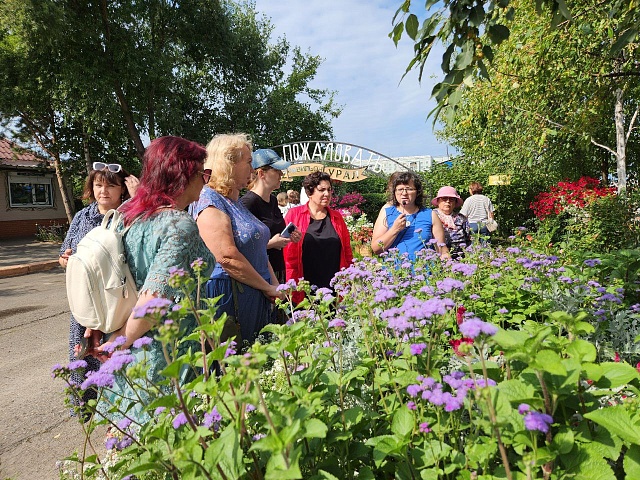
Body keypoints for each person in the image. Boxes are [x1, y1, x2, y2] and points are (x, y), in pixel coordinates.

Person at [94, 136, 215, 424]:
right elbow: (154, 300)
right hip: (165, 355)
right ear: (183, 175)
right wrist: (117, 343)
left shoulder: (125, 215)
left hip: (129, 350)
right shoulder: (178, 225)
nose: (206, 181)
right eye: (203, 173)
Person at [58, 162, 138, 417]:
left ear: (122, 189)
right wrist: (66, 258)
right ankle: (85, 408)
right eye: (98, 185)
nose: (103, 191)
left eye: (110, 186)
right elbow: (63, 255)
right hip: (87, 299)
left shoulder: (130, 215)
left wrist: (137, 199)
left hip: (117, 299)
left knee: (114, 352)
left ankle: (120, 411)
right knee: (83, 353)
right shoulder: (83, 216)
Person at [190, 134, 284, 343]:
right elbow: (226, 256)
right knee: (237, 362)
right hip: (231, 296)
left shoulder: (234, 201)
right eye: (249, 162)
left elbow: (256, 247)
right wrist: (267, 287)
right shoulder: (210, 199)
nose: (252, 170)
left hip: (255, 290)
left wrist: (275, 286)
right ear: (229, 163)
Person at [284, 171, 353, 303]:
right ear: (310, 192)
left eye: (329, 190)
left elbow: (347, 251)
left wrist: (350, 278)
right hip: (305, 285)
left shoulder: (337, 218)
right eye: (321, 190)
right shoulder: (294, 215)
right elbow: (286, 250)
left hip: (333, 286)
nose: (327, 194)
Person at [240, 148, 302, 284]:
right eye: (277, 170)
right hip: (259, 275)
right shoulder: (248, 202)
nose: (281, 173)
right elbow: (241, 246)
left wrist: (290, 236)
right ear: (262, 173)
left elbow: (276, 232)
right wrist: (270, 244)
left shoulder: (273, 200)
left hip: (278, 269)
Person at [371, 171, 450, 260]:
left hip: (424, 270)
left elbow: (442, 250)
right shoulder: (387, 212)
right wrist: (394, 229)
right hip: (395, 271)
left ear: (417, 192)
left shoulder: (430, 214)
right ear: (394, 192)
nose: (404, 193)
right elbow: (376, 249)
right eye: (400, 189)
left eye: (409, 189)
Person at [432, 186, 471, 258]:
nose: (448, 201)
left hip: (461, 258)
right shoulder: (431, 216)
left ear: (455, 203)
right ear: (438, 201)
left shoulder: (461, 218)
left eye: (452, 199)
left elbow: (469, 239)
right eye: (444, 198)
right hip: (439, 258)